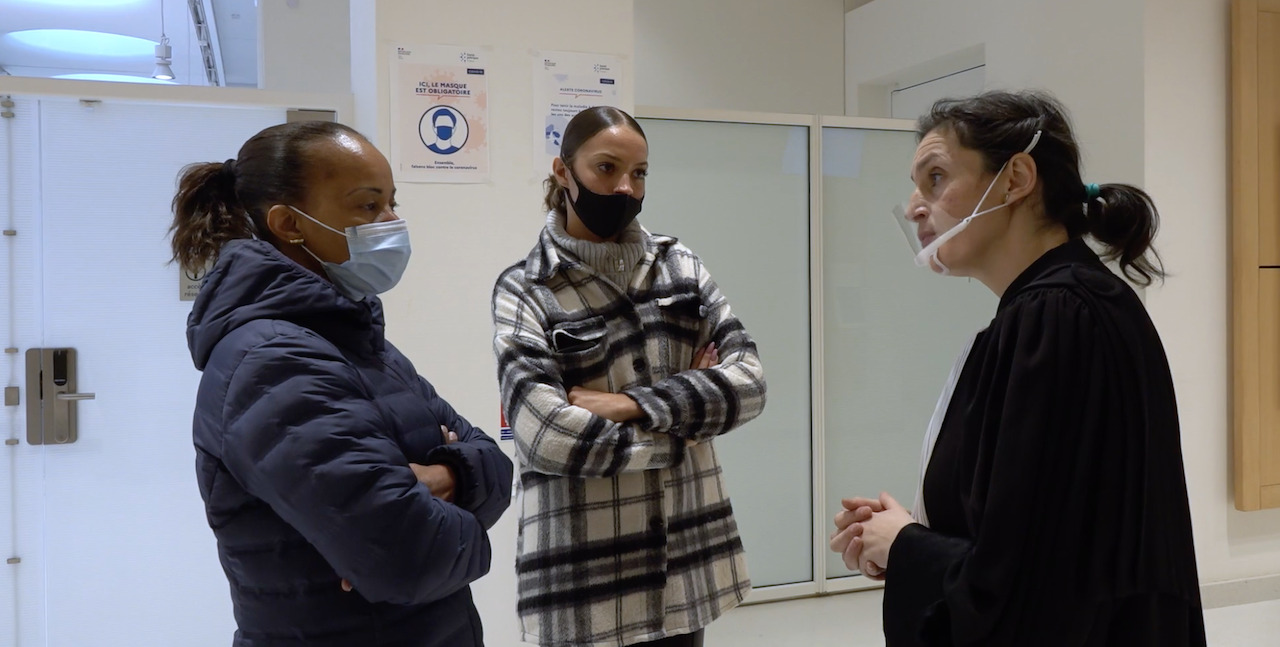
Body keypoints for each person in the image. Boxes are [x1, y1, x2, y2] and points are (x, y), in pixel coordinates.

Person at [830, 90, 1206, 646]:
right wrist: (903, 535)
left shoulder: (1055, 317)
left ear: (1016, 179)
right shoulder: (1064, 304)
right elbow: (1040, 525)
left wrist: (907, 545)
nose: (913, 207)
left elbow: (1032, 580)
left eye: (936, 178)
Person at [171, 121, 512, 647]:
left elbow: (493, 462)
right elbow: (408, 557)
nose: (392, 222)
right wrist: (452, 503)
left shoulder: (352, 339)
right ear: (289, 223)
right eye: (368, 206)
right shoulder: (275, 360)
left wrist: (446, 476)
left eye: (392, 203)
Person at [491, 106, 767, 647]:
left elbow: (750, 383)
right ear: (563, 172)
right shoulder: (525, 289)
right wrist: (684, 430)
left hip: (685, 562)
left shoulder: (680, 266)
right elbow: (546, 436)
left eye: (638, 173)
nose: (625, 187)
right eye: (606, 168)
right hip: (583, 576)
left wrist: (631, 404)